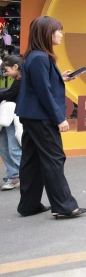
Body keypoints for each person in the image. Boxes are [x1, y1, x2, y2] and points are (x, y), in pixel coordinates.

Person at [16, 16, 86, 218]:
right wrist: (59, 118)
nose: (61, 34)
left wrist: (60, 77)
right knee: (54, 158)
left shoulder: (35, 56)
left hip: (31, 115)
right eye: (58, 31)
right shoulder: (40, 57)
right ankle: (64, 206)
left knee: (32, 160)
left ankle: (29, 205)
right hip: (41, 116)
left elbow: (40, 84)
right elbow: (44, 92)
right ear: (48, 33)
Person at [0, 55, 22, 191]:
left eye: (6, 70)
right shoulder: (18, 80)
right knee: (4, 148)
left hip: (13, 118)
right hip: (6, 117)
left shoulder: (23, 80)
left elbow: (8, 95)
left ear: (15, 67)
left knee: (13, 148)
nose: (5, 73)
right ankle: (14, 175)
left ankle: (21, 176)